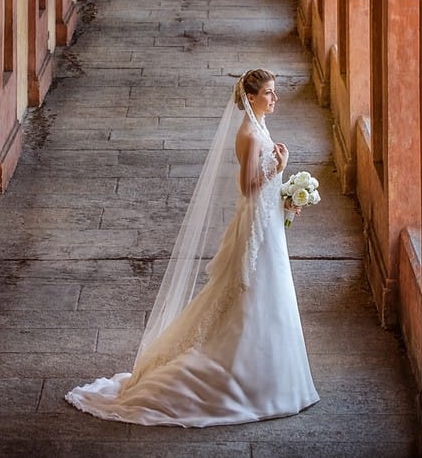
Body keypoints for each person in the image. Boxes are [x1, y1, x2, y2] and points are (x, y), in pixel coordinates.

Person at [65, 68, 319, 426]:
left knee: (269, 293)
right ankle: (243, 377)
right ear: (250, 98)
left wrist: (286, 198)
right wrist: (281, 165)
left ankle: (272, 375)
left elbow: (261, 188)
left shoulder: (259, 125)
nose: (275, 98)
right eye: (269, 93)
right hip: (255, 227)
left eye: (275, 92)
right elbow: (248, 188)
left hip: (267, 223)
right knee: (250, 293)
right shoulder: (247, 133)